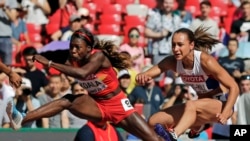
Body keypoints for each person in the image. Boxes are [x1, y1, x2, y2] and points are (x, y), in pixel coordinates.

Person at [7, 28, 164, 141]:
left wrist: (49, 63)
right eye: (71, 46)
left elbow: (82, 73)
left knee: (153, 139)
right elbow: (52, 60)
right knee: (67, 100)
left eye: (77, 47)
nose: (73, 50)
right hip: (97, 104)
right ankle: (22, 119)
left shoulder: (99, 57)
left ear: (89, 49)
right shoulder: (71, 58)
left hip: (119, 105)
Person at [135, 26, 239, 141]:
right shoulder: (173, 62)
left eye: (180, 44)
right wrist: (142, 76)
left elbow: (234, 86)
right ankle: (198, 126)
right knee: (153, 121)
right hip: (199, 107)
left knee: (191, 105)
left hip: (220, 105)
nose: (175, 49)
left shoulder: (206, 61)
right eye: (173, 45)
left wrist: (225, 112)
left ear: (191, 45)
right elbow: (151, 72)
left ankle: (174, 135)